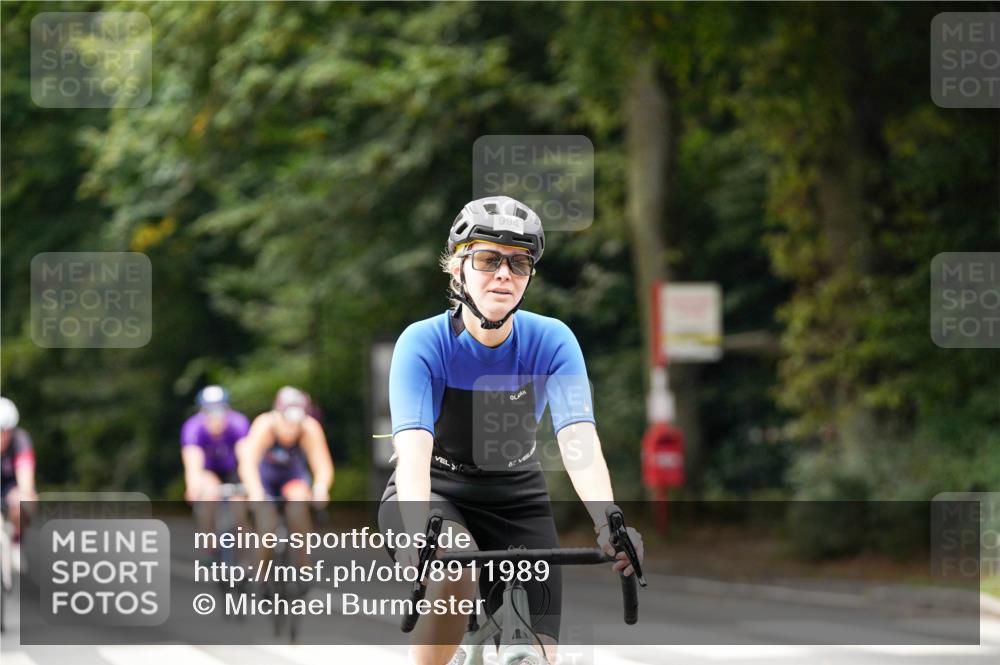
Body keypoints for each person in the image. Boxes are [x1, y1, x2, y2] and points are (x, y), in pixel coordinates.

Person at [378, 196, 644, 665]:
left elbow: (578, 440)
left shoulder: (552, 340)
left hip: (516, 496)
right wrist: (420, 532)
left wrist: (609, 522)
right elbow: (414, 453)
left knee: (538, 657)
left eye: (519, 263)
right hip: (437, 492)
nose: (504, 273)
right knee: (453, 573)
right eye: (487, 259)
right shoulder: (423, 343)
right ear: (457, 271)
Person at [239, 386, 335, 568]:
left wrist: (321, 488)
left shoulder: (309, 428)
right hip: (265, 479)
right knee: (267, 526)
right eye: (287, 421)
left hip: (292, 477)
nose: (291, 429)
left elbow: (322, 465)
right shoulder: (265, 425)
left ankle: (302, 562)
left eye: (296, 422)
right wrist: (255, 491)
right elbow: (248, 462)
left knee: (298, 504)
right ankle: (260, 577)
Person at [180, 385, 251, 543]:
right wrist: (193, 486)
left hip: (233, 469)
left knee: (239, 509)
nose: (215, 417)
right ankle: (209, 542)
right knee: (209, 495)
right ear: (202, 412)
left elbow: (246, 458)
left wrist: (250, 484)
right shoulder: (193, 428)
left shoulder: (238, 423)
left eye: (219, 410)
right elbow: (193, 461)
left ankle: (245, 554)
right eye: (209, 411)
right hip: (208, 470)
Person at [0, 397, 36, 541]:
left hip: (11, 486)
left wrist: (23, 495)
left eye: (3, 432)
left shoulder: (21, 440)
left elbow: (25, 479)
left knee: (26, 500)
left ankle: (17, 538)